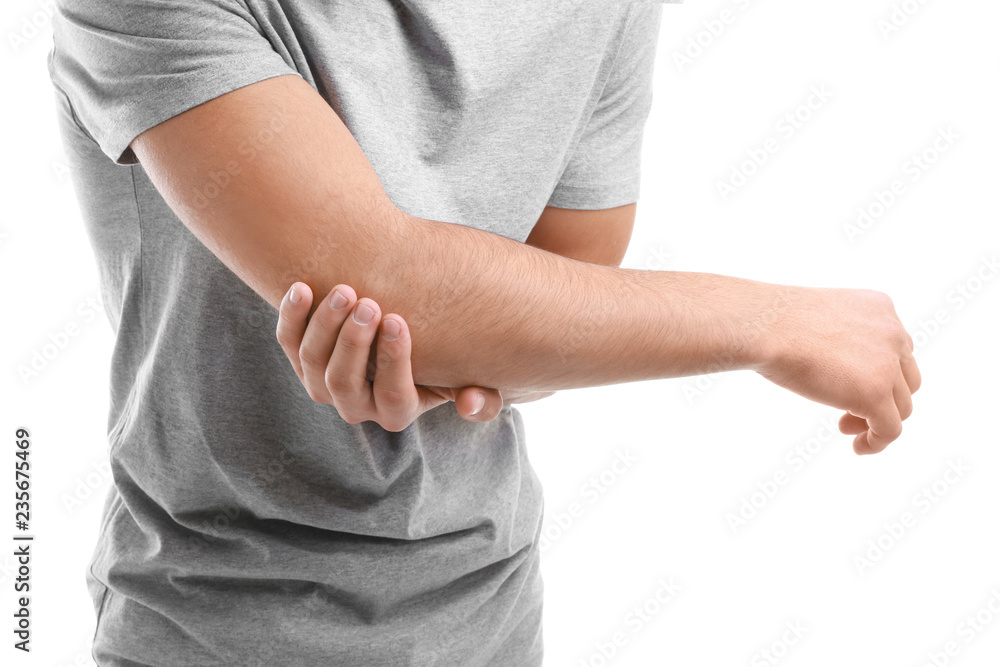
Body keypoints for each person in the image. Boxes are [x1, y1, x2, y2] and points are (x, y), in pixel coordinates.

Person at [46, 0, 919, 665]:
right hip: (212, 624)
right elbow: (386, 279)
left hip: (488, 613)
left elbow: (569, 294)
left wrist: (473, 341)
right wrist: (769, 319)